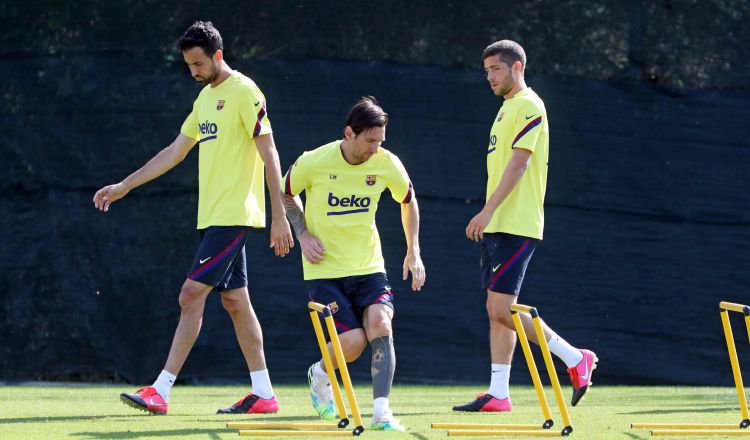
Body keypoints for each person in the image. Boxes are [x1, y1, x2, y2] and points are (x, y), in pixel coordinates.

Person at [92, 21, 293, 415]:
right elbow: (174, 151)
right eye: (188, 65)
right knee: (235, 301)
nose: (194, 72)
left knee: (190, 295)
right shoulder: (204, 100)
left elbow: (270, 154)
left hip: (235, 214)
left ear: (218, 55)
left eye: (198, 63)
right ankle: (264, 394)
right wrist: (125, 185)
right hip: (214, 216)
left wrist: (280, 214)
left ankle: (161, 390)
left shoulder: (245, 91)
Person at [455, 40, 597, 412]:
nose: (489, 76)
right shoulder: (506, 109)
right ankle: (499, 393)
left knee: (503, 310)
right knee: (496, 309)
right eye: (486, 71)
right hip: (499, 224)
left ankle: (574, 358)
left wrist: (486, 212)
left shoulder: (530, 105)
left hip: (516, 223)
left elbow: (519, 165)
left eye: (495, 69)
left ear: (517, 67)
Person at [281, 96, 425, 431]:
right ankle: (319, 374)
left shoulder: (387, 163)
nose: (376, 148)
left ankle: (381, 412)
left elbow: (409, 201)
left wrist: (413, 251)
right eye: (370, 140)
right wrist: (301, 233)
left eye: (381, 141)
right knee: (353, 343)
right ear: (349, 133)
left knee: (381, 325)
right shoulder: (315, 161)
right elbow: (285, 191)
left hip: (369, 266)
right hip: (324, 269)